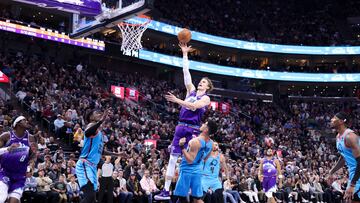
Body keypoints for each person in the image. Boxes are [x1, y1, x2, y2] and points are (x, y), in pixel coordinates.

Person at [155, 42, 213, 200]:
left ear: (208, 87)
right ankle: (166, 191)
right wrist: (185, 53)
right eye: (200, 81)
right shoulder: (191, 90)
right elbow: (185, 71)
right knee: (172, 158)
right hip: (181, 126)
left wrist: (177, 100)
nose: (201, 82)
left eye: (204, 82)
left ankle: (195, 188)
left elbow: (194, 107)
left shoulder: (206, 98)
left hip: (193, 130)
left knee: (190, 160)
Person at [75, 110, 126, 203]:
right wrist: (101, 121)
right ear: (90, 117)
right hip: (85, 164)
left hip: (92, 167)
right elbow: (86, 133)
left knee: (92, 199)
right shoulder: (90, 126)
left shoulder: (100, 134)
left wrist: (118, 154)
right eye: (96, 113)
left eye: (99, 113)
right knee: (90, 196)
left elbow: (101, 151)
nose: (99, 114)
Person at [173, 120, 216, 203]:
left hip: (187, 170)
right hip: (198, 171)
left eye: (205, 124)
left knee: (182, 197)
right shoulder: (212, 143)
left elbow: (190, 160)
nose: (202, 124)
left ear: (206, 129)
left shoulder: (195, 141)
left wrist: (182, 147)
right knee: (197, 198)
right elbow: (205, 158)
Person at [0, 116, 37, 203]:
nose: (27, 121)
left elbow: (33, 156)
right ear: (18, 124)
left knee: (13, 201)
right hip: (4, 173)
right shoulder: (6, 136)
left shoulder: (31, 138)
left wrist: (31, 166)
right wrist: (7, 149)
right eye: (24, 120)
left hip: (20, 176)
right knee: (2, 198)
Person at [328, 112, 360, 203]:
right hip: (354, 175)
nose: (331, 120)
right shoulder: (338, 137)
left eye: (334, 118)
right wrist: (331, 172)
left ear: (341, 121)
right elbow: (343, 158)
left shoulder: (350, 137)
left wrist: (353, 184)